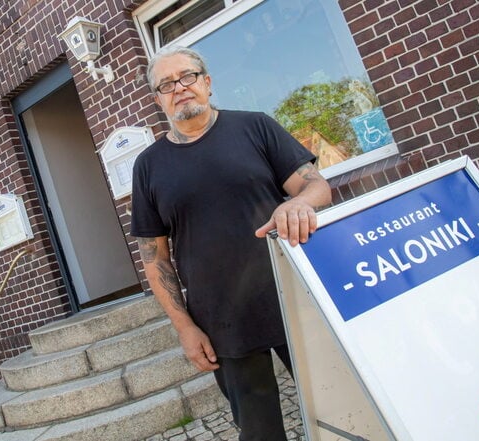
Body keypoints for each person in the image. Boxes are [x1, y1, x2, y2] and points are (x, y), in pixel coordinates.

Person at [130, 46, 332, 440]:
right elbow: (155, 260)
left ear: (206, 82)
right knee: (259, 431)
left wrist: (300, 204)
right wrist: (185, 327)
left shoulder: (255, 127)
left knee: (336, 405)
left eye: (188, 76)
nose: (180, 88)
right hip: (221, 320)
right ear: (158, 99)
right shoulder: (149, 166)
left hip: (294, 299)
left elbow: (316, 186)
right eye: (167, 84)